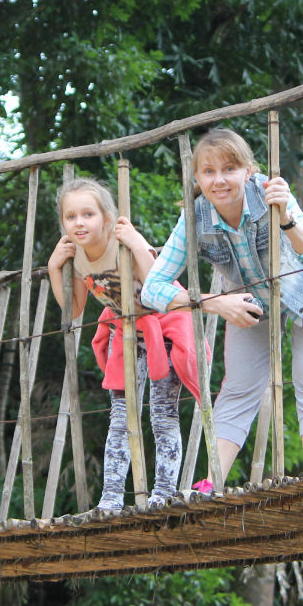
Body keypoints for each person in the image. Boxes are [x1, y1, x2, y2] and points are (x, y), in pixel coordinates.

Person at [141, 127, 303, 484]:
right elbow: (151, 289)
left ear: (248, 171)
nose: (219, 180)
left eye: (229, 168)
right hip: (249, 301)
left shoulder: (270, 191)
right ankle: (212, 482)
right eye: (208, 171)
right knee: (238, 387)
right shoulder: (194, 217)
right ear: (197, 177)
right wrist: (216, 303)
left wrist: (287, 219)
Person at [47, 177, 204, 510]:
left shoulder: (122, 242)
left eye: (87, 214)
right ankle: (111, 498)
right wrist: (53, 267)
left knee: (162, 415)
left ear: (106, 217)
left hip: (164, 326)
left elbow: (156, 285)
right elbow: (73, 309)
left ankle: (162, 494)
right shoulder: (75, 257)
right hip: (127, 330)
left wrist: (137, 245)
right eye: (70, 217)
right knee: (120, 417)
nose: (79, 223)